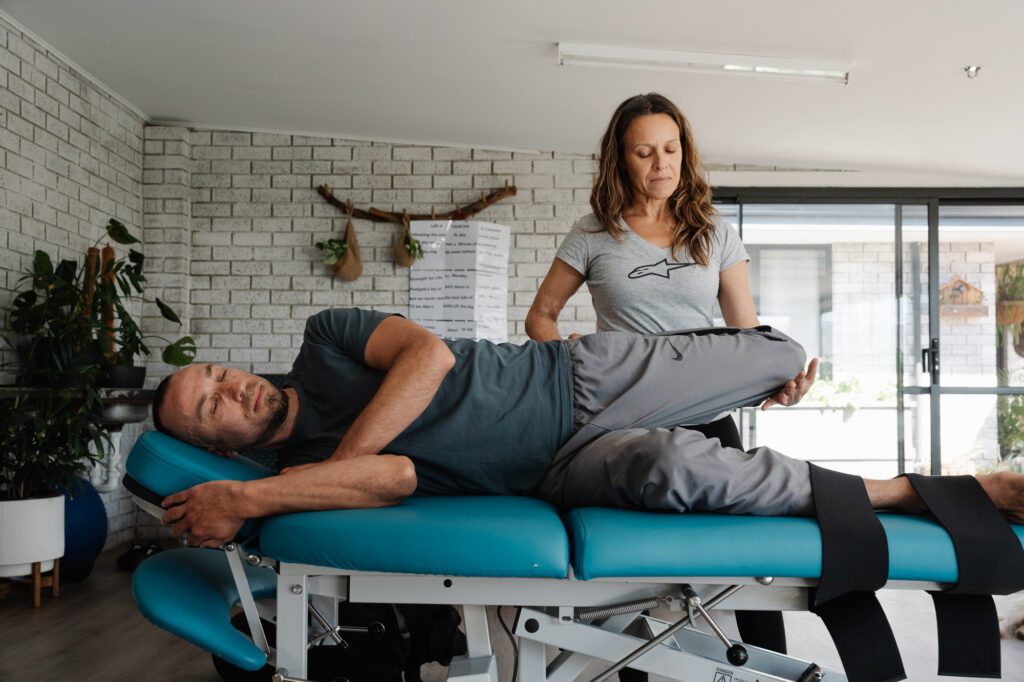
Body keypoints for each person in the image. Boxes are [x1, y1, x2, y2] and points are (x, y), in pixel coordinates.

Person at [153, 308, 1024, 550]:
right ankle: (920, 491)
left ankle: (725, 384)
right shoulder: (291, 476)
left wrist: (308, 479)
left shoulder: (325, 341)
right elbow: (396, 480)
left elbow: (428, 359)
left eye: (219, 373)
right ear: (217, 446)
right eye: (211, 406)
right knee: (674, 472)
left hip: (575, 375)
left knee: (783, 352)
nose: (231, 388)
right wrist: (269, 493)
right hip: (568, 468)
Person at [525, 92, 815, 659]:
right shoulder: (592, 234)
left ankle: (772, 669)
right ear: (620, 160)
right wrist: (567, 359)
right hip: (623, 419)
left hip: (707, 415)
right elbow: (541, 316)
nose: (661, 164)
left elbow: (746, 338)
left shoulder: (715, 232)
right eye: (644, 152)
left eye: (671, 149)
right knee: (638, 571)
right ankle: (633, 664)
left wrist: (780, 387)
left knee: (752, 565)